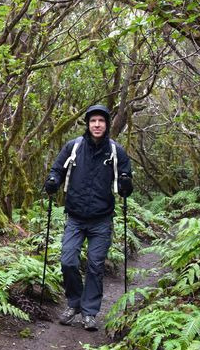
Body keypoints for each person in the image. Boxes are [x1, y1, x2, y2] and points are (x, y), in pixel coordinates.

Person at [44, 104, 133, 331]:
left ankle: (89, 313)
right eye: (93, 121)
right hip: (75, 217)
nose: (97, 125)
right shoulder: (73, 147)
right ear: (87, 124)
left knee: (95, 265)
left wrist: (126, 183)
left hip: (102, 219)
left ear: (107, 124)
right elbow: (57, 170)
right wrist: (53, 181)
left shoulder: (115, 151)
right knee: (68, 261)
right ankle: (74, 303)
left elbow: (126, 179)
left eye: (101, 121)